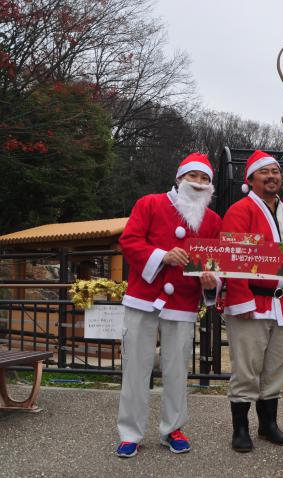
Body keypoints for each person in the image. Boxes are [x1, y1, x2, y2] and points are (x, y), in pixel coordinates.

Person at [115, 153, 222, 458]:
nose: (199, 184)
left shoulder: (213, 221)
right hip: (143, 298)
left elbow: (213, 265)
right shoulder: (149, 203)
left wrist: (212, 283)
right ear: (179, 179)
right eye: (193, 177)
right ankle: (130, 433)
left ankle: (172, 428)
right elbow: (130, 241)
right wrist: (161, 255)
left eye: (205, 179)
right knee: (135, 367)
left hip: (183, 303)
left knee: (177, 369)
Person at [222, 150, 283, 452]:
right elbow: (233, 258)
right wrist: (241, 299)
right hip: (252, 304)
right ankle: (241, 429)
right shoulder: (240, 210)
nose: (272, 176)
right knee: (247, 369)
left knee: (276, 368)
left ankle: (268, 425)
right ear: (251, 179)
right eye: (265, 172)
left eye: (275, 171)